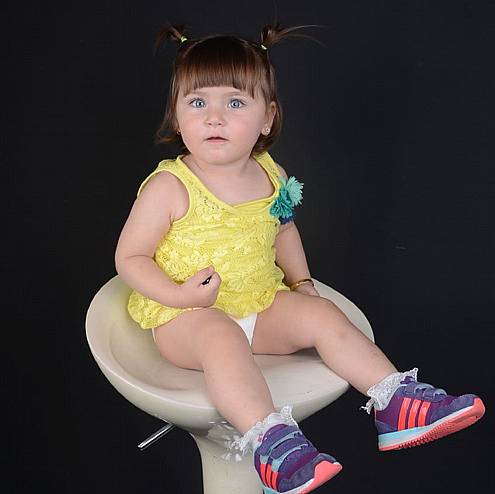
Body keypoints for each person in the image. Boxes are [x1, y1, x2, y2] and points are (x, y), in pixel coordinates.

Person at [114, 22, 486, 494]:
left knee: (321, 314)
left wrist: (303, 283)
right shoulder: (170, 186)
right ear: (177, 114)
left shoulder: (271, 174)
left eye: (234, 103)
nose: (214, 118)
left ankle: (394, 402)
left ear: (267, 118)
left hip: (256, 302)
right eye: (197, 103)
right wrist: (179, 295)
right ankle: (271, 444)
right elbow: (130, 257)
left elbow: (284, 230)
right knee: (222, 338)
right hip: (186, 318)